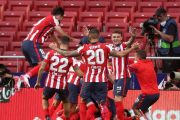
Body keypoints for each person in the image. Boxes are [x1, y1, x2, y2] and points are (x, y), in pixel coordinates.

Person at [49, 28, 140, 120]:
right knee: (103, 102)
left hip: (88, 80)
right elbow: (120, 54)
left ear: (89, 37)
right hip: (101, 81)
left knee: (83, 101)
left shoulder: (84, 48)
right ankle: (103, 105)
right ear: (99, 37)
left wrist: (56, 48)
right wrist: (132, 48)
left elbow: (67, 54)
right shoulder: (106, 46)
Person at [15, 7, 80, 91]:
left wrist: (58, 45)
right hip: (33, 43)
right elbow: (61, 32)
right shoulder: (52, 18)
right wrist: (72, 39)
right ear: (59, 16)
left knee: (41, 67)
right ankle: (26, 76)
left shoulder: (48, 22)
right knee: (45, 65)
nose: (61, 20)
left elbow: (52, 35)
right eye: (62, 18)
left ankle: (19, 80)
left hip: (25, 44)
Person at [34, 36, 83, 120]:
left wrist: (38, 82)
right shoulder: (71, 57)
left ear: (60, 42)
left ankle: (47, 116)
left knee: (44, 98)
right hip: (62, 85)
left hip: (50, 83)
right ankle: (66, 118)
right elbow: (79, 73)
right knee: (66, 102)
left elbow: (42, 68)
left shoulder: (50, 53)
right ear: (69, 44)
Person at [110, 28, 137, 120]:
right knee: (117, 101)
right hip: (117, 78)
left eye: (118, 37)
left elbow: (129, 42)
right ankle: (130, 118)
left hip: (123, 76)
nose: (116, 38)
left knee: (118, 99)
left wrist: (133, 37)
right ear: (111, 38)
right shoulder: (110, 47)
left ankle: (123, 119)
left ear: (121, 38)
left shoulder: (123, 46)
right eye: (114, 37)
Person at [128, 50, 160, 120]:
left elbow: (124, 69)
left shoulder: (138, 65)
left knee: (135, 108)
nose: (134, 58)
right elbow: (135, 63)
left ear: (138, 58)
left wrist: (110, 67)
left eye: (135, 56)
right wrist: (126, 59)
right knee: (144, 107)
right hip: (157, 94)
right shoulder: (149, 62)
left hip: (147, 94)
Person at [151, 7, 180, 73]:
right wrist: (155, 34)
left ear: (165, 15)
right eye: (158, 16)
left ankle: (172, 83)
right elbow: (163, 35)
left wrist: (158, 32)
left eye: (160, 16)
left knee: (171, 74)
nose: (159, 18)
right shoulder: (162, 23)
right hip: (165, 52)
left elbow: (171, 39)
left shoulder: (171, 24)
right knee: (166, 73)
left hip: (172, 53)